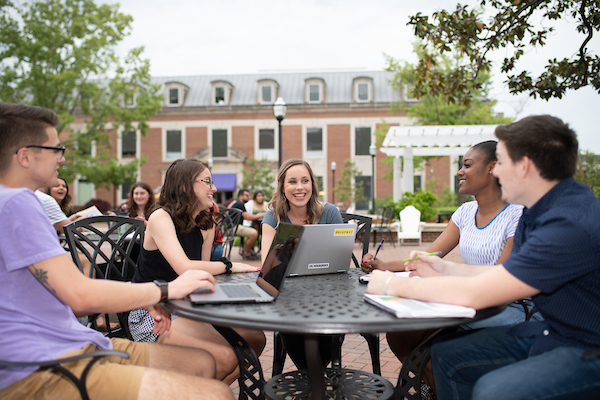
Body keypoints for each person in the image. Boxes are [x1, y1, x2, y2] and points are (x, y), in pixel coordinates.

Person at [0, 102, 233, 400]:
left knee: (205, 363)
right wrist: (164, 291)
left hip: (73, 341)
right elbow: (80, 296)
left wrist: (149, 297)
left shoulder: (19, 202)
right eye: (56, 149)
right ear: (25, 156)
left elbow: (63, 291)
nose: (61, 158)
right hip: (39, 365)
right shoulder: (16, 204)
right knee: (216, 394)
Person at [367, 115, 600, 400]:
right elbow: (506, 272)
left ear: (523, 166)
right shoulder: (537, 209)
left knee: (493, 391)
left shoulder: (568, 223)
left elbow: (478, 295)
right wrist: (444, 267)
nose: (495, 171)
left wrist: (392, 285)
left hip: (587, 347)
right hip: (555, 333)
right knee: (447, 355)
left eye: (500, 162)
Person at [128, 158, 267, 384]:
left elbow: (201, 275)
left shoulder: (206, 223)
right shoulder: (160, 217)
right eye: (207, 182)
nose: (214, 188)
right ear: (185, 186)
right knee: (224, 357)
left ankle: (201, 391)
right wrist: (229, 266)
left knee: (255, 338)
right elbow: (185, 268)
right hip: (153, 310)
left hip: (189, 305)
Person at [261, 158, 343, 370]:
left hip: (327, 295)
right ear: (282, 187)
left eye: (305, 181)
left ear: (312, 185)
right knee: (293, 325)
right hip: (289, 296)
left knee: (330, 326)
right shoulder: (273, 217)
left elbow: (340, 259)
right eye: (292, 182)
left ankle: (311, 377)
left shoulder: (330, 212)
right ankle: (310, 376)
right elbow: (267, 267)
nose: (299, 187)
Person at [228, 189, 264, 260]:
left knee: (253, 230)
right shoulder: (240, 204)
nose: (249, 197)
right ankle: (247, 253)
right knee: (254, 233)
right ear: (241, 196)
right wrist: (261, 215)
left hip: (231, 226)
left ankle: (246, 250)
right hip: (233, 227)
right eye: (247, 195)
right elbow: (248, 217)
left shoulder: (236, 202)